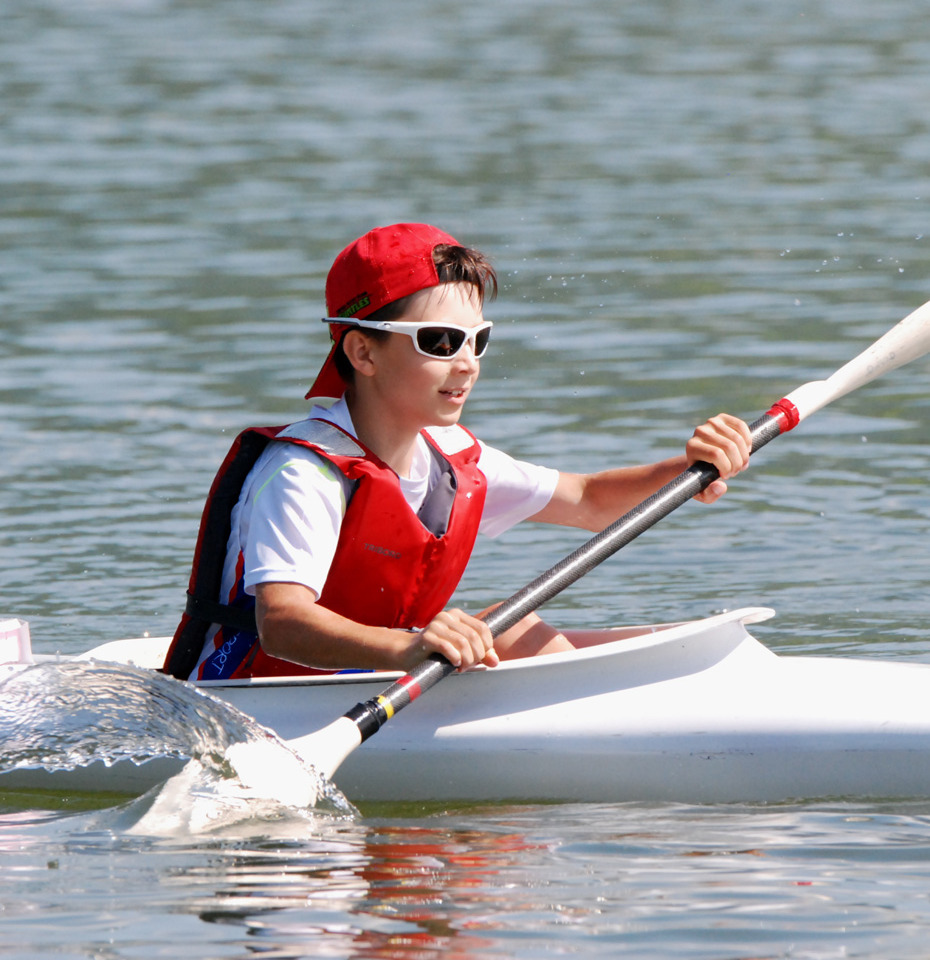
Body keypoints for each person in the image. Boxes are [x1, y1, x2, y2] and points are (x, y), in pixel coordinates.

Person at [162, 224, 752, 682]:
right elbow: (284, 624)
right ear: (362, 353)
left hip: (379, 681)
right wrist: (407, 647)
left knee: (509, 624)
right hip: (252, 698)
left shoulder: (451, 458)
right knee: (509, 627)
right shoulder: (303, 473)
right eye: (439, 342)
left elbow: (591, 500)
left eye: (478, 339)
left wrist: (692, 468)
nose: (467, 362)